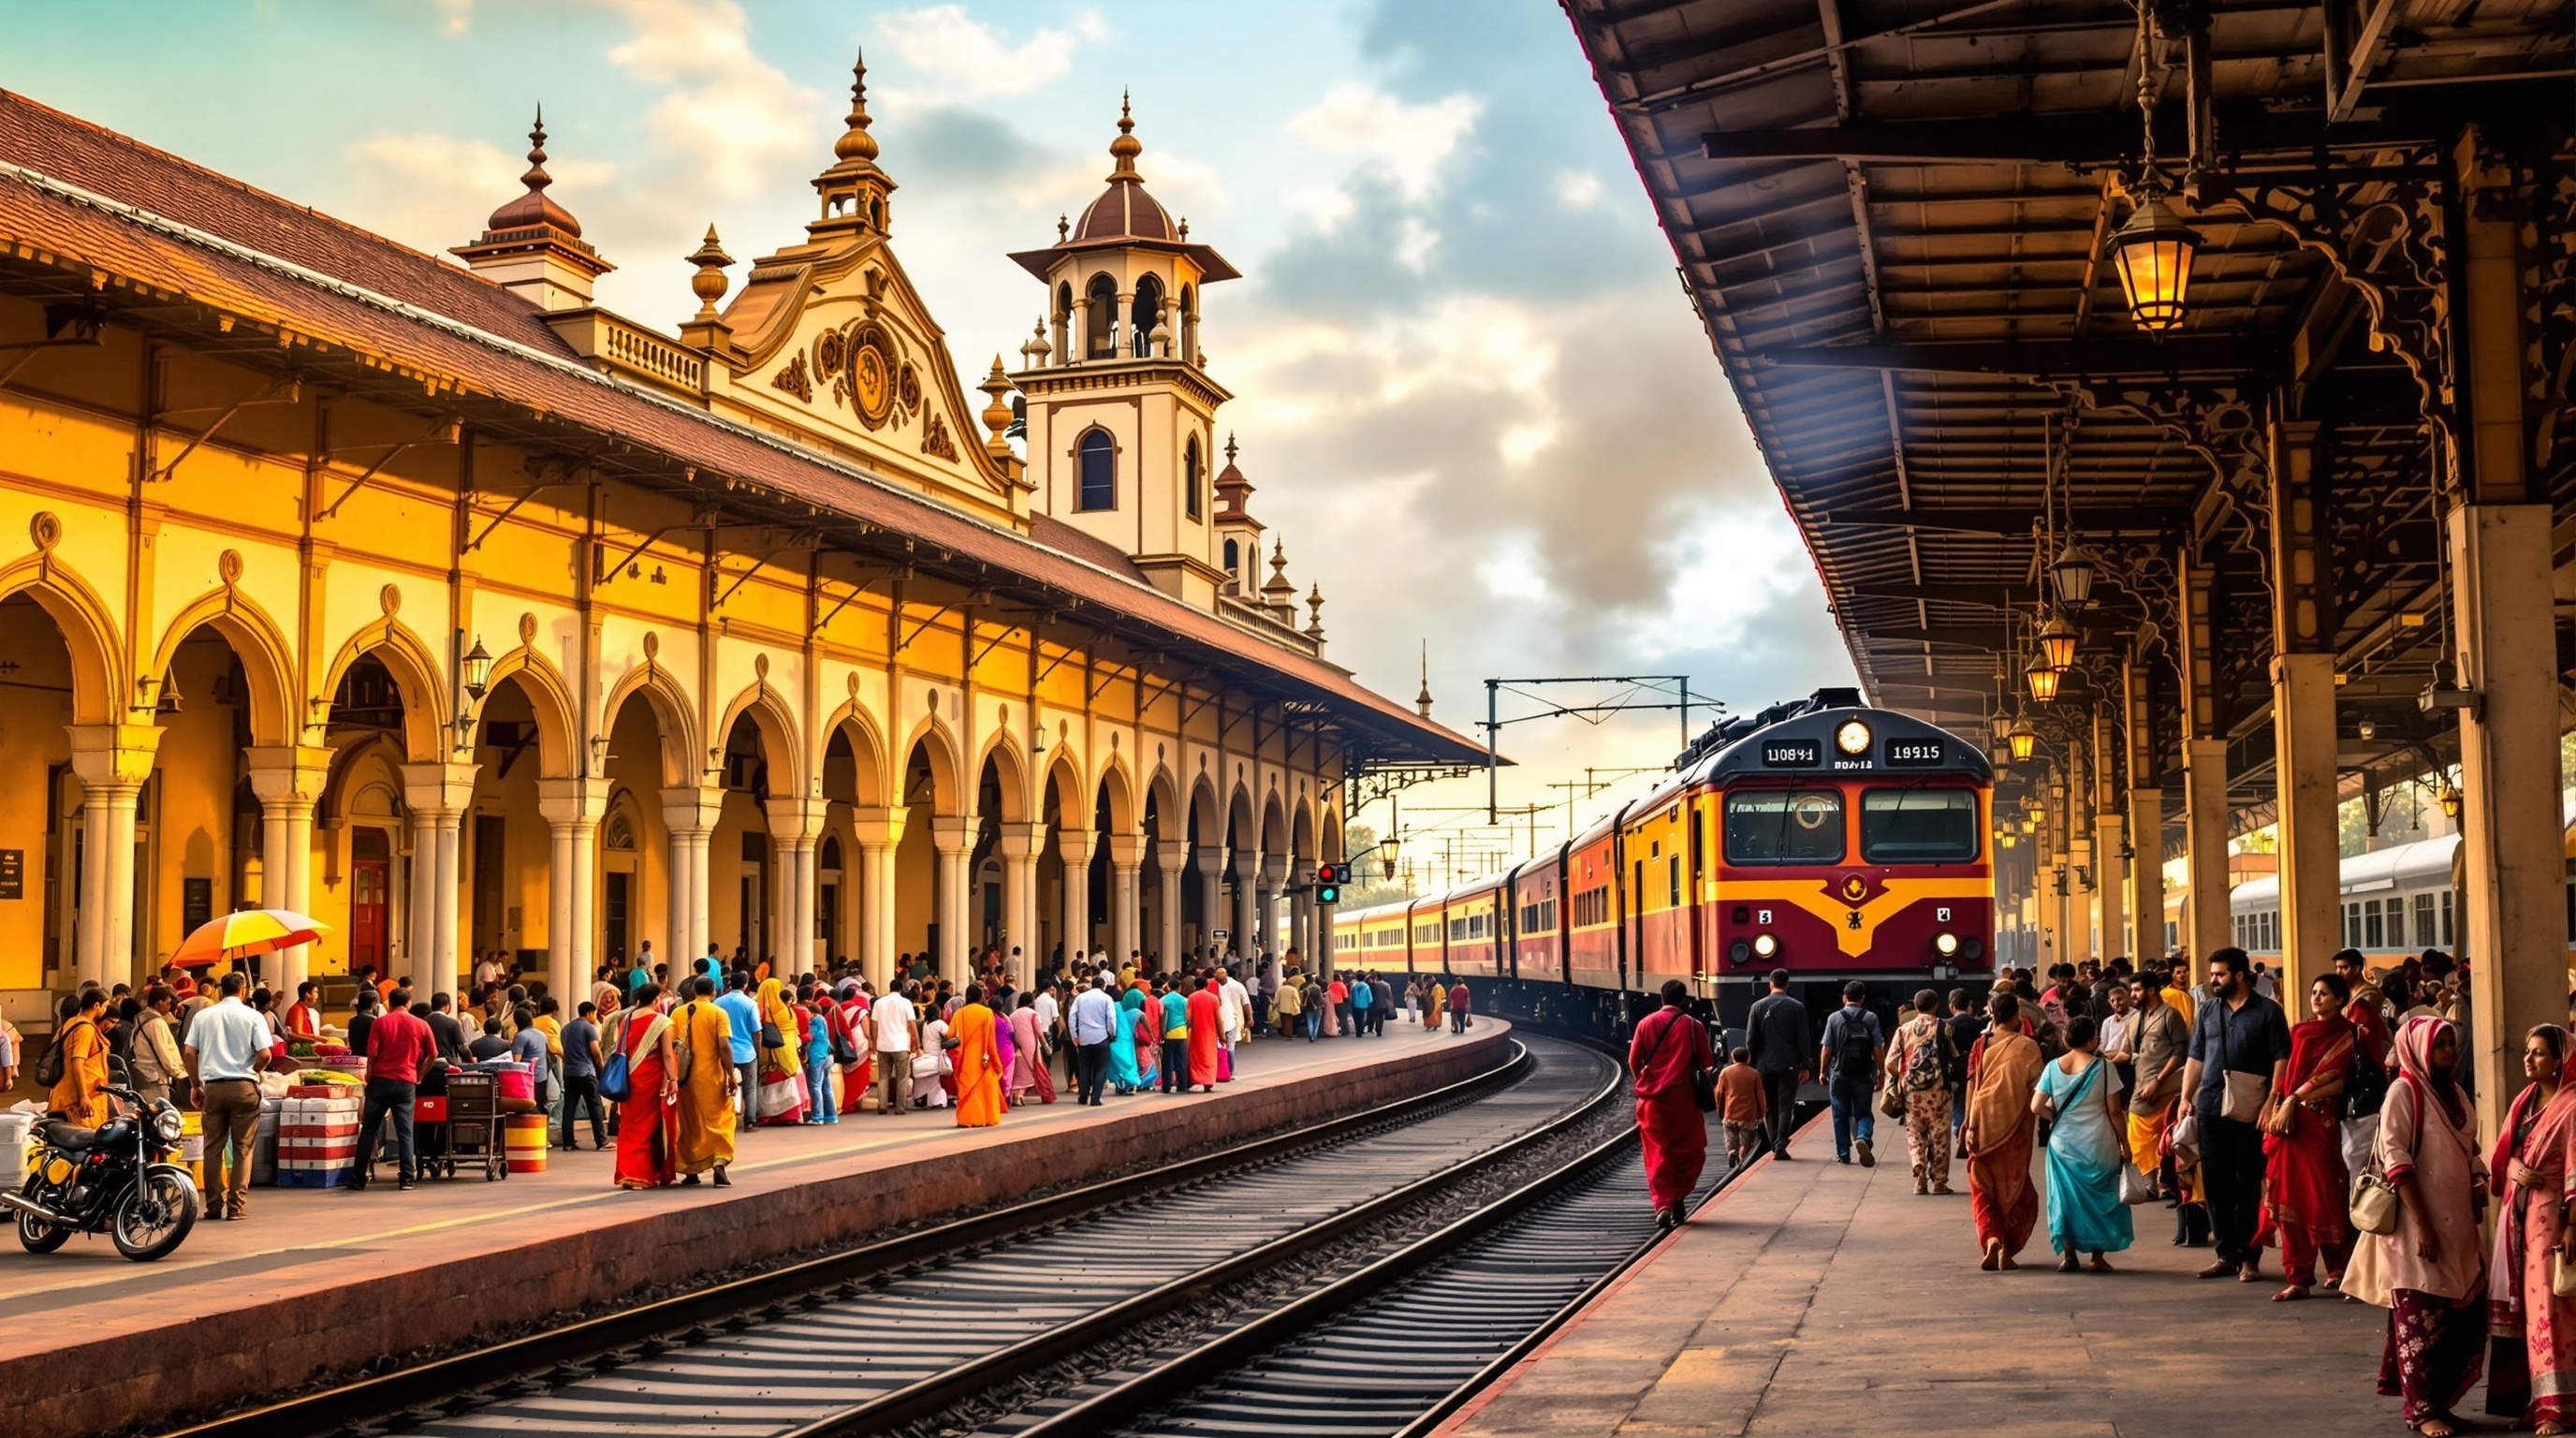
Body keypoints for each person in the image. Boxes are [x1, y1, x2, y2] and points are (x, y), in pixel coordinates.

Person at [2349, 1017, 2488, 1438]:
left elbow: (2470, 1148)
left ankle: (2441, 1403)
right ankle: (2422, 1410)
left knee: (2460, 1318)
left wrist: (2478, 1183)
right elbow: (2397, 1162)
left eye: (2450, 1042)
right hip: (2416, 1230)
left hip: (2460, 1227)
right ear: (2418, 1049)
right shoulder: (2404, 1092)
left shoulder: (2455, 1093)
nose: (2447, 1051)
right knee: (2420, 1320)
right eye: (2439, 1044)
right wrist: (2424, 1226)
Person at [2180, 946, 2292, 1283]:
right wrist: (2186, 1097)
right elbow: (2196, 1056)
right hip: (2212, 1105)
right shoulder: (2207, 1011)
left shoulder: (2268, 1013)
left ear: (2240, 976)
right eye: (2213, 973)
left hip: (2251, 1108)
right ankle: (2225, 1254)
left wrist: (2272, 1100)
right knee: (2216, 1183)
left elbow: (2281, 1058)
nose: (2213, 980)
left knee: (2247, 1185)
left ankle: (2249, 1257)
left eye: (2220, 974)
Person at [2484, 1024, 2576, 1431]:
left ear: (2560, 1061)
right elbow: (2508, 1154)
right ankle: (2536, 1401)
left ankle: (2559, 1407)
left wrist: (2572, 1227)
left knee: (2551, 1312)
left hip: (2554, 1218)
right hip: (2519, 1218)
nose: (2528, 1059)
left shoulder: (2572, 1106)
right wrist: (2515, 1167)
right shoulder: (2525, 1101)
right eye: (2527, 1050)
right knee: (2525, 1311)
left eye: (2538, 1053)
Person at [2259, 975, 2357, 1300]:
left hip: (2320, 1123)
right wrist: (2277, 1102)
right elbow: (2287, 1075)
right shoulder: (2300, 1031)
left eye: (2324, 993)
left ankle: (2340, 1269)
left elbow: (2338, 1080)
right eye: (2314, 992)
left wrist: (2293, 1101)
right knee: (2290, 1197)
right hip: (2291, 1125)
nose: (2316, 998)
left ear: (2340, 1000)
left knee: (2325, 1196)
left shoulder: (2348, 1034)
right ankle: (2298, 1277)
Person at [2035, 1014, 2131, 1272]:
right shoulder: (2104, 1067)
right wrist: (2126, 1142)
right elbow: (2114, 1111)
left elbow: (2035, 1106)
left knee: (2064, 1200)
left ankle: (2068, 1255)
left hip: (2062, 1145)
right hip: (2099, 1144)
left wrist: (2053, 1116)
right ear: (2091, 1039)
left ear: (2066, 1038)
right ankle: (2097, 1257)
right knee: (2103, 1198)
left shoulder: (2053, 1067)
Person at [1963, 991, 2044, 1270]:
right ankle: (2005, 1249)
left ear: (1992, 1015)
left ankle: (1992, 1238)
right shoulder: (2028, 1047)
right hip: (2015, 1129)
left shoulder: (1980, 1044)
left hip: (1981, 1122)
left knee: (1982, 1186)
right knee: (2012, 1189)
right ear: (2017, 1017)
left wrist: (1967, 1124)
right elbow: (2038, 1090)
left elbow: (1972, 1086)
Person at [184, 973, 273, 1220]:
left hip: (212, 1087)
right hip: (244, 1086)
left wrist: (195, 1085)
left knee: (213, 1147)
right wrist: (252, 1071)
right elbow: (266, 1055)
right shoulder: (253, 1016)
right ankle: (235, 1207)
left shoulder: (203, 1016)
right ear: (243, 990)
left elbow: (190, 1053)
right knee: (243, 1147)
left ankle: (213, 1205)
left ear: (221, 990)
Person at [1630, 980, 1714, 1229]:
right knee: (1690, 1150)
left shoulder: (1645, 1023)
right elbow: (1706, 1062)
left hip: (1652, 1102)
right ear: (1684, 1000)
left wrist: (1645, 1081)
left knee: (1658, 1152)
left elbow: (1634, 1060)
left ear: (1661, 997)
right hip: (1684, 1100)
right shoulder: (1693, 1026)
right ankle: (1678, 1196)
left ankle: (1663, 1203)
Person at [351, 988, 431, 1191]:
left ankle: (358, 1179)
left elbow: (372, 1054)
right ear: (409, 1003)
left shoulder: (380, 1022)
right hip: (406, 1082)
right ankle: (406, 1179)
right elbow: (433, 1053)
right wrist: (419, 1075)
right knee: (405, 1131)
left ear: (389, 1003)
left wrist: (369, 1076)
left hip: (380, 1081)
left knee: (369, 1130)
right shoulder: (421, 1024)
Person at [1888, 989, 1954, 1195]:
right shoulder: (1944, 1027)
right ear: (1936, 1006)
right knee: (1940, 1137)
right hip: (1939, 1093)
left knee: (1915, 1133)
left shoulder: (1903, 1030)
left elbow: (1890, 1061)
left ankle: (1919, 1173)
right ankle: (1939, 1182)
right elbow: (1954, 1055)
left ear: (1916, 1007)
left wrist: (1902, 1077)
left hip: (1912, 1094)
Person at [674, 977, 739, 1186]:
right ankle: (719, 1163)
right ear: (713, 991)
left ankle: (690, 1171)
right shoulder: (718, 1013)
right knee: (720, 1120)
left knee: (689, 1124)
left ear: (693, 991)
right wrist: (731, 1075)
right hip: (711, 1079)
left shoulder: (678, 1013)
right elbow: (724, 1047)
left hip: (685, 1079)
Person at [610, 993, 679, 1189]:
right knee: (647, 1126)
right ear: (656, 1000)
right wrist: (672, 1080)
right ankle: (639, 1175)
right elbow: (667, 1053)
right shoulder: (662, 1021)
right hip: (650, 1078)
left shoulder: (625, 1019)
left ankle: (626, 1173)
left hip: (628, 1077)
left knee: (629, 1126)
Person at [1819, 981, 1884, 1167]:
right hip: (1863, 1074)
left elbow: (1827, 1048)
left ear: (1844, 998)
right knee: (1863, 1113)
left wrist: (1823, 1071)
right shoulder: (1870, 1018)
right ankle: (1863, 1137)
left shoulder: (1834, 1018)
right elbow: (1877, 1046)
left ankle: (1843, 1154)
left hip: (1839, 1072)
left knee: (1840, 1114)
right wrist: (1881, 1070)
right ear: (1863, 998)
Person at [1747, 970, 1809, 1159]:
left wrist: (1751, 1064)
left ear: (1770, 983)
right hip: (1789, 1064)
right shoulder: (1797, 1007)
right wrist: (1805, 1065)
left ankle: (1775, 1144)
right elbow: (1803, 1039)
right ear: (1787, 984)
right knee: (1786, 1105)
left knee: (1769, 1107)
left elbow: (1750, 1040)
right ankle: (1781, 1141)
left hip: (1764, 1065)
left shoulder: (1757, 1007)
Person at [46, 989, 110, 1128]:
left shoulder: (71, 1022)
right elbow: (77, 1063)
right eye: (105, 1006)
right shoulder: (85, 1029)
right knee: (86, 1140)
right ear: (96, 1005)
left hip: (66, 1093)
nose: (105, 1010)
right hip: (79, 1098)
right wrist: (83, 1097)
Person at [950, 985, 1004, 1127]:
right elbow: (991, 1043)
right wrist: (997, 1063)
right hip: (983, 1060)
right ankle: (985, 1118)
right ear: (981, 996)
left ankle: (967, 1119)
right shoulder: (987, 1013)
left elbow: (950, 1036)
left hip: (965, 1059)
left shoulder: (959, 1014)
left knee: (967, 1090)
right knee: (984, 1091)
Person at [754, 977, 805, 1125]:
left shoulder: (767, 1010)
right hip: (789, 1050)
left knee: (773, 1082)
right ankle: (791, 1114)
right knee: (787, 1081)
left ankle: (772, 1115)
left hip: (774, 1051)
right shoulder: (786, 1008)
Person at [560, 1001, 607, 1150]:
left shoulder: (566, 1029)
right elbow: (595, 1051)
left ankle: (568, 1142)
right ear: (589, 1013)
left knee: (569, 1108)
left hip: (569, 1072)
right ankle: (601, 1141)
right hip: (586, 1072)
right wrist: (602, 1067)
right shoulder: (589, 1027)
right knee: (595, 1106)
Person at [717, 973, 761, 1132]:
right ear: (745, 985)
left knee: (723, 1086)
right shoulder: (749, 1004)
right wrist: (757, 1050)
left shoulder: (718, 1002)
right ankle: (750, 1121)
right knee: (750, 1087)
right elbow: (756, 1031)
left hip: (724, 1051)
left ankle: (724, 1119)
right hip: (747, 1052)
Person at [129, 986, 184, 1108]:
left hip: (142, 1074)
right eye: (168, 1003)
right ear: (160, 1002)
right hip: (156, 1077)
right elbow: (163, 1051)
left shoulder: (139, 1018)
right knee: (160, 1115)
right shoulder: (157, 1023)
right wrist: (177, 1072)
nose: (169, 1007)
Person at [1070, 973, 1116, 1106]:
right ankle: (1095, 1098)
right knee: (1100, 1069)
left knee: (1084, 1068)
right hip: (1101, 1037)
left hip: (1084, 1037)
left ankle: (1083, 1097)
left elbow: (1072, 1016)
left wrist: (1074, 1034)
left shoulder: (1080, 998)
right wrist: (1112, 1033)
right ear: (1103, 986)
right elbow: (1111, 1018)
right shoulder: (1106, 998)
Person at [874, 982, 919, 1115]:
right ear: (900, 989)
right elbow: (912, 1023)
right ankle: (900, 1107)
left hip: (883, 1044)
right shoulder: (906, 1003)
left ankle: (882, 1106)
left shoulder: (879, 1003)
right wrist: (918, 1043)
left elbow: (874, 1023)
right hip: (900, 1045)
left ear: (890, 988)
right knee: (902, 1078)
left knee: (883, 1077)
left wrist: (874, 1040)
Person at [1716, 1047, 1764, 1170]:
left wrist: (1719, 1109)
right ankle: (1742, 1164)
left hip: (1730, 1112)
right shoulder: (1754, 1074)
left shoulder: (1725, 1072)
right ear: (1748, 1058)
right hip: (1748, 1116)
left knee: (1730, 1138)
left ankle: (1732, 1152)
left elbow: (1719, 1093)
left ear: (1733, 1058)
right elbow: (1760, 1095)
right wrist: (1761, 1113)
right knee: (1746, 1143)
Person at [1009, 992, 1054, 1105]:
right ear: (1031, 1002)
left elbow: (1011, 1031)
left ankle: (1017, 1094)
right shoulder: (1033, 1014)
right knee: (1034, 1070)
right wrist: (1046, 1045)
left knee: (1020, 1071)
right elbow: (1038, 1032)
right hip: (1032, 1046)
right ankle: (1020, 1095)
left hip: (1017, 1046)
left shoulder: (1013, 1015)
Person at [1185, 974, 1222, 1093]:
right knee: (1210, 1057)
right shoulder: (1214, 998)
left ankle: (1197, 1079)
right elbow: (1218, 1019)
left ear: (1195, 986)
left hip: (1196, 1033)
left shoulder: (1191, 997)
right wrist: (1222, 1035)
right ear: (1207, 985)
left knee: (1196, 1057)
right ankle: (1209, 1082)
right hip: (1210, 1033)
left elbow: (1188, 1018)